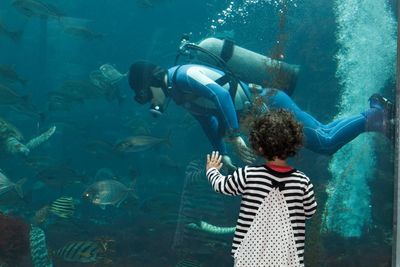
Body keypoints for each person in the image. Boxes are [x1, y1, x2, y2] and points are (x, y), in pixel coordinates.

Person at [127, 60, 394, 172]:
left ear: (150, 83)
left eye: (147, 97)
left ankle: (376, 113)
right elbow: (207, 120)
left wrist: (235, 136)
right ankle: (377, 118)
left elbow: (220, 96)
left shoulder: (183, 75)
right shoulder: (177, 92)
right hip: (263, 109)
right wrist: (222, 156)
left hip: (268, 103)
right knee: (324, 135)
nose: (152, 102)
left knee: (324, 143)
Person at [205, 109, 317, 267]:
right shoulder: (302, 181)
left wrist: (212, 171)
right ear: (294, 144)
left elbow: (221, 186)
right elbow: (310, 211)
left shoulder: (248, 174)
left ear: (259, 147)